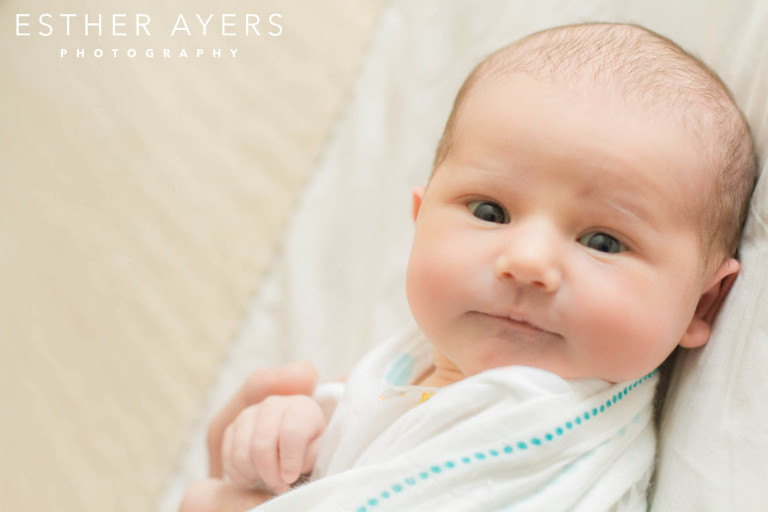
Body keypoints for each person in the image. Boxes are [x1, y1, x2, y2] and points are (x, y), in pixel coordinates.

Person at [180, 22, 756, 511]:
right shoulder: (412, 364)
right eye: (490, 211)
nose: (527, 262)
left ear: (703, 302)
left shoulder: (539, 433)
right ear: (419, 219)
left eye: (603, 242)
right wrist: (290, 438)